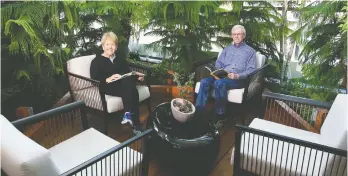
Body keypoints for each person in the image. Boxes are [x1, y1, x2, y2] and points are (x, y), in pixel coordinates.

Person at [195, 25, 257, 120]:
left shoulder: (250, 51)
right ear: (232, 36)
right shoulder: (227, 49)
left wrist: (237, 76)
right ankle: (198, 112)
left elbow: (251, 69)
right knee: (204, 82)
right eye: (234, 34)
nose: (236, 36)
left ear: (243, 35)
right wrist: (219, 71)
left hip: (238, 79)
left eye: (239, 34)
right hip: (223, 75)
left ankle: (219, 115)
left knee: (219, 83)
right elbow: (218, 63)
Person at [90, 32, 144, 134]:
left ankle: (129, 117)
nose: (110, 47)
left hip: (122, 85)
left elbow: (127, 73)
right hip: (108, 86)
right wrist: (107, 79)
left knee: (130, 86)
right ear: (103, 46)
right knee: (131, 88)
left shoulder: (119, 58)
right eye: (107, 44)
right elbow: (94, 79)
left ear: (116, 46)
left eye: (113, 44)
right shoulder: (96, 61)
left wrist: (137, 77)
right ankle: (136, 124)